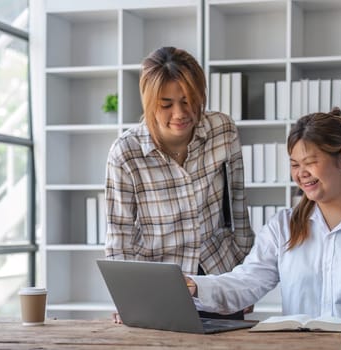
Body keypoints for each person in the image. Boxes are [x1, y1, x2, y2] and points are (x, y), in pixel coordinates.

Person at [186, 110, 341, 320]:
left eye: (310, 162)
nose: (301, 173)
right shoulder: (282, 227)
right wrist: (196, 287)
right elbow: (245, 282)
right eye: (295, 164)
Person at [104, 46, 255, 320]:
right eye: (166, 104)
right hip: (157, 289)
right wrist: (126, 298)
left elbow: (238, 208)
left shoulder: (223, 130)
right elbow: (120, 237)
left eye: (188, 100)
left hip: (218, 278)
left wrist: (244, 283)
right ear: (149, 102)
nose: (180, 113)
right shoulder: (125, 152)